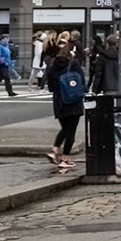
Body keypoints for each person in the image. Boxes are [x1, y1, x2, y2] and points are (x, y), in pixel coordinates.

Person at [44, 42, 86, 173]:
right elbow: (82, 82)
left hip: (59, 102)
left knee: (65, 128)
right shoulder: (73, 64)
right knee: (71, 131)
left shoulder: (52, 65)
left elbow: (50, 87)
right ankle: (65, 159)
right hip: (73, 101)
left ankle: (55, 149)